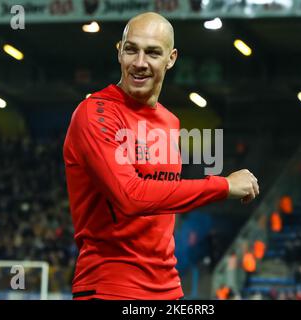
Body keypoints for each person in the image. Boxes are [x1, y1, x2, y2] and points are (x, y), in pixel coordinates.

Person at [63, 12, 259, 300]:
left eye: (153, 53)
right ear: (119, 51)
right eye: (131, 49)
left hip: (168, 287)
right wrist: (223, 186)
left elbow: (162, 205)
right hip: (111, 287)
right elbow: (131, 196)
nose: (139, 63)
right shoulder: (95, 114)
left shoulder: (169, 122)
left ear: (171, 58)